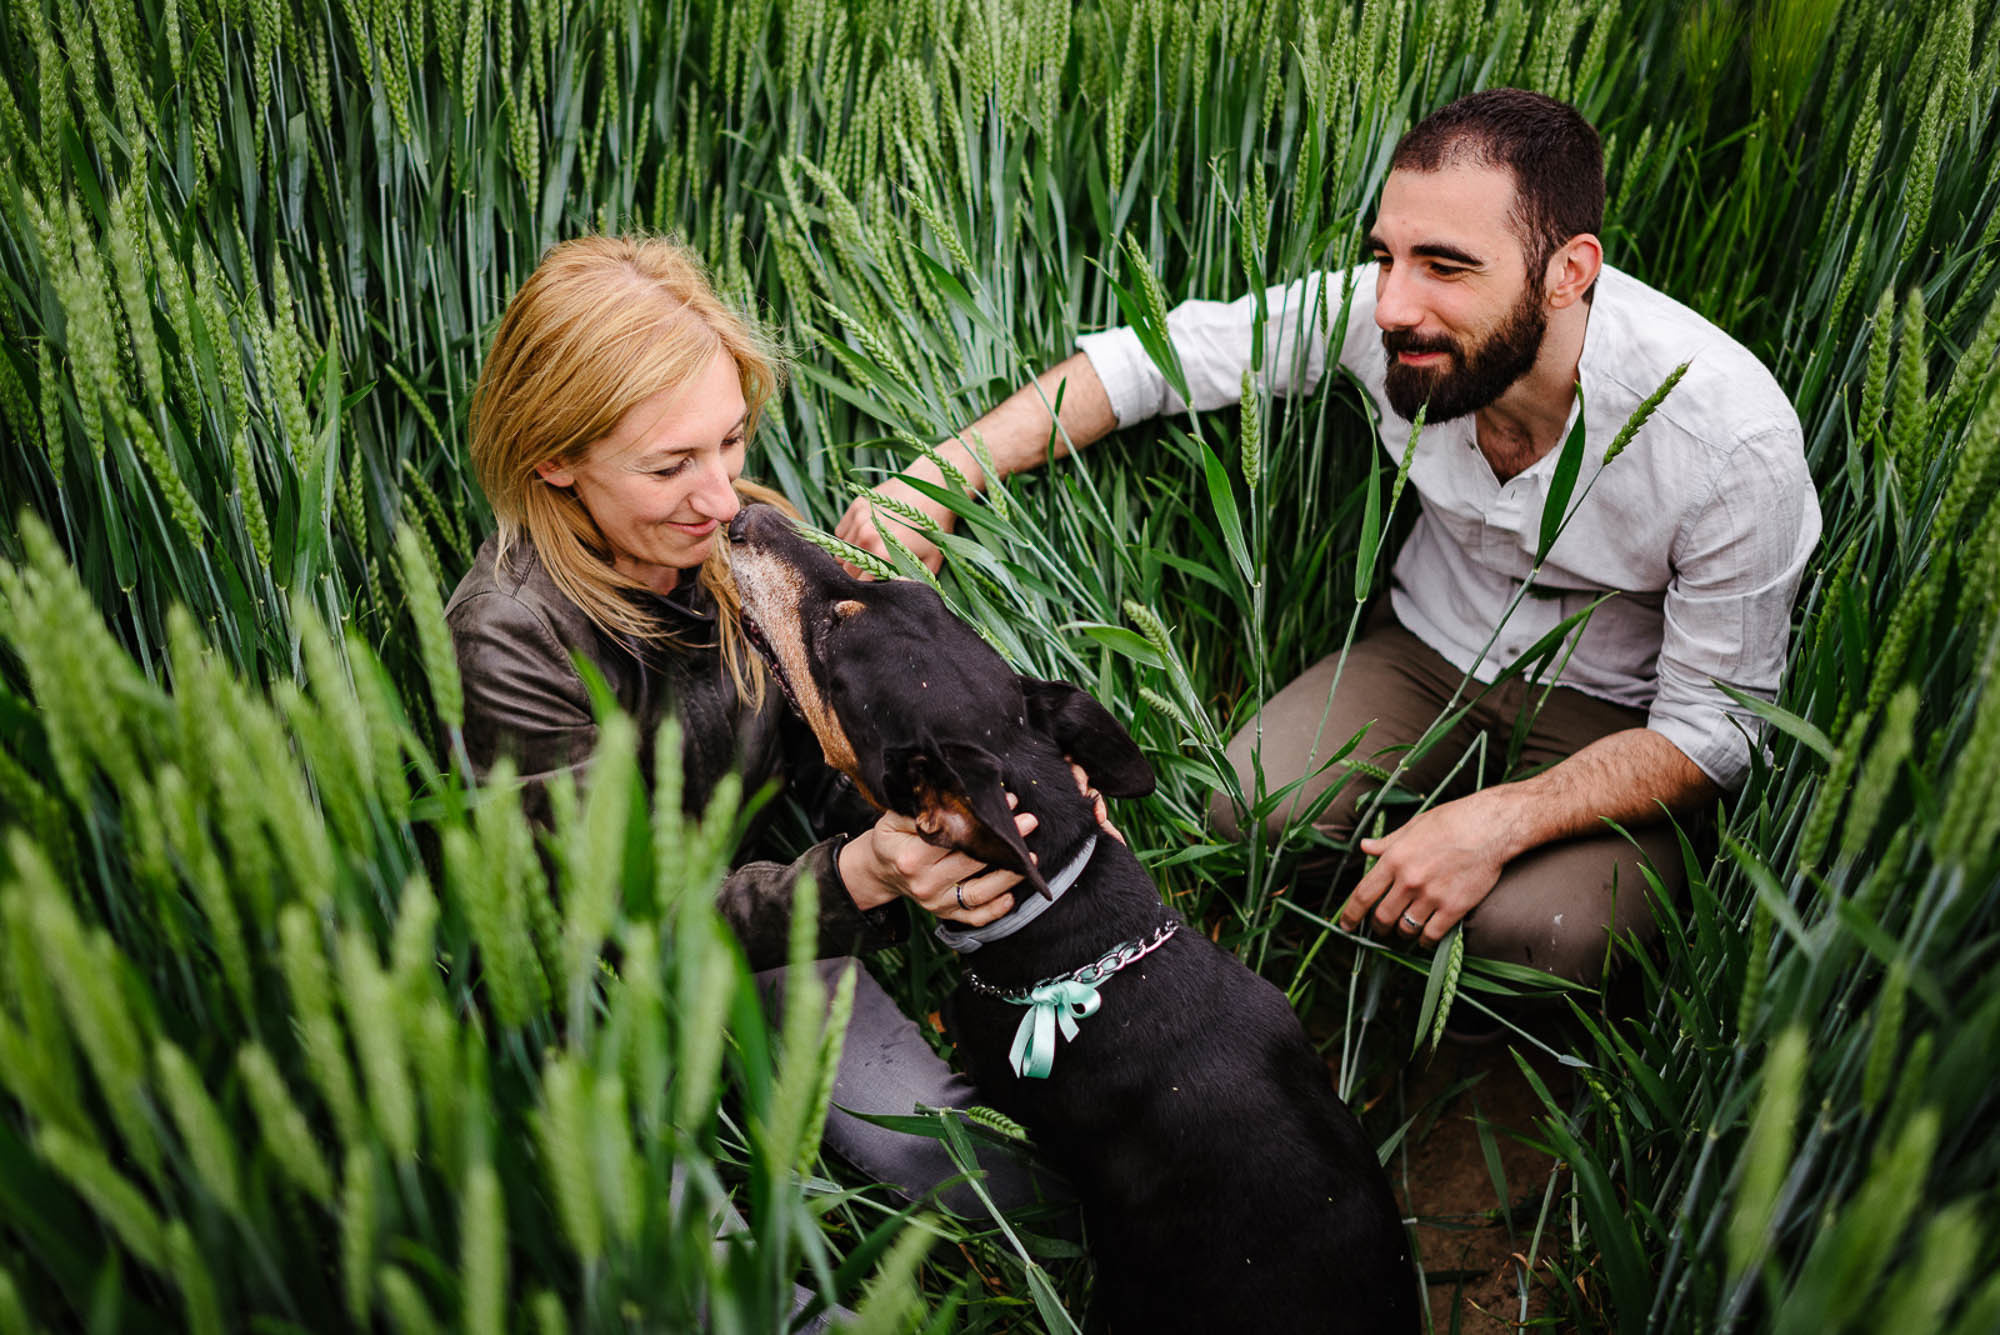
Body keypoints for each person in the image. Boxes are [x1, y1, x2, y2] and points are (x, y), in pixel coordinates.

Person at [837, 89, 1821, 987]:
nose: (1392, 303)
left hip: (1612, 712)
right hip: (1427, 648)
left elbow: (1711, 730)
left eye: (1445, 266)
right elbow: (1160, 358)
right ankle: (1341, 923)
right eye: (1385, 253)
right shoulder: (1388, 314)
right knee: (1243, 810)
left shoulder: (1728, 445)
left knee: (1548, 937)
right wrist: (941, 474)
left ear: (1567, 273)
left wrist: (1498, 822)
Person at [444, 235, 1057, 1222]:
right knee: (725, 1286)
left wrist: (944, 810)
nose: (724, 497)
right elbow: (616, 929)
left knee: (956, 1161)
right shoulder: (509, 641)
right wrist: (861, 875)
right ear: (555, 459)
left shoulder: (731, 535)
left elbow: (822, 748)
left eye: (730, 440)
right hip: (588, 998)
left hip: (762, 924)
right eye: (670, 463)